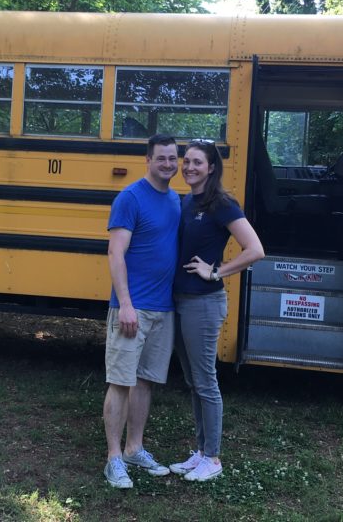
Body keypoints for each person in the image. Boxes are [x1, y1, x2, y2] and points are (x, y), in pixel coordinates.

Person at [169, 139, 264, 482]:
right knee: (194, 381)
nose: (189, 167)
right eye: (187, 161)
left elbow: (255, 249)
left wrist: (216, 271)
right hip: (179, 300)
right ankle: (200, 452)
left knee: (205, 381)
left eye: (197, 162)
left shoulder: (221, 203)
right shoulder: (185, 202)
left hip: (203, 303)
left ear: (211, 168)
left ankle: (213, 457)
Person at [102, 134, 181, 489]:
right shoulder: (130, 197)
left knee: (145, 382)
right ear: (147, 160)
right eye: (161, 158)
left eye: (172, 158)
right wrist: (126, 305)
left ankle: (135, 448)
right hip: (133, 309)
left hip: (163, 309)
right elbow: (116, 253)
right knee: (120, 382)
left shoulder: (176, 200)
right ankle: (114, 458)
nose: (168, 164)